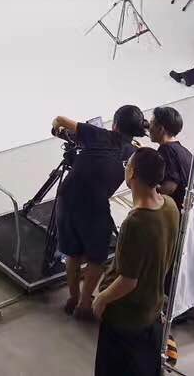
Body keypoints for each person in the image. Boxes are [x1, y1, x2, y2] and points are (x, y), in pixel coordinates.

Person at [51, 104, 147, 319]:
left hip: (68, 198)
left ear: (115, 125)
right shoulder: (136, 154)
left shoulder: (98, 134)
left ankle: (73, 297)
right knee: (97, 258)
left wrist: (58, 128)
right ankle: (85, 303)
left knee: (73, 253)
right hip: (95, 205)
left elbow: (60, 119)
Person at [91, 147, 180, 376]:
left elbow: (128, 280)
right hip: (152, 307)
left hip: (125, 315)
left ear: (132, 173)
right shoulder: (169, 205)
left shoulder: (136, 223)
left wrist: (101, 299)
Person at [148, 106, 192, 211]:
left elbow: (169, 187)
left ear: (161, 128)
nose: (149, 128)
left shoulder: (166, 150)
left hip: (175, 215)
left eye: (152, 123)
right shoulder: (183, 151)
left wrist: (146, 190)